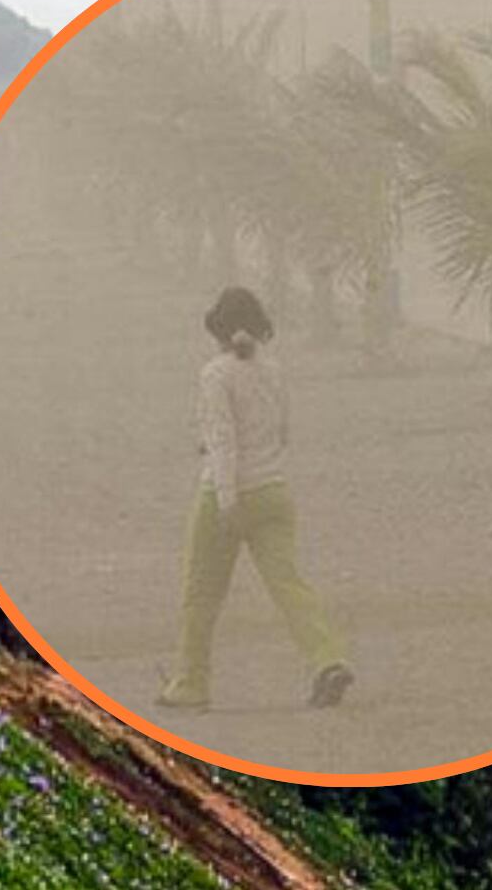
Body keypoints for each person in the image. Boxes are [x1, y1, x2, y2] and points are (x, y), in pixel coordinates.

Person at [157, 287, 353, 710]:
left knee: (202, 594)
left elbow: (225, 441)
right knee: (289, 586)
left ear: (219, 331)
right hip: (275, 491)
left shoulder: (215, 374)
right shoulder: (274, 370)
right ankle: (328, 658)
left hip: (226, 495)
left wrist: (228, 500)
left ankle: (191, 683)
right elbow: (282, 429)